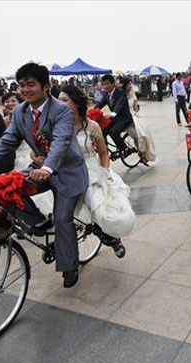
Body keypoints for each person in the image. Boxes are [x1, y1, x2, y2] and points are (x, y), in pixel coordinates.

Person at [0, 62, 89, 288]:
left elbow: (61, 141)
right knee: (6, 186)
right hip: (40, 169)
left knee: (63, 218)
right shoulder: (20, 111)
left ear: (45, 87)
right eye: (21, 85)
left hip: (67, 171)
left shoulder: (60, 110)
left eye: (31, 84)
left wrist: (47, 168)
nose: (25, 90)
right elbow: (8, 140)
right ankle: (40, 224)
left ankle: (70, 265)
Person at [56, 85, 131, 257]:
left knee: (98, 202)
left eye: (65, 100)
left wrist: (105, 173)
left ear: (76, 103)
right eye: (58, 100)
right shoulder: (57, 126)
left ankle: (111, 237)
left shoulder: (92, 127)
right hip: (67, 172)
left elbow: (104, 154)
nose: (60, 104)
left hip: (91, 170)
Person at [121, 78, 157, 165]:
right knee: (137, 135)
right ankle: (141, 153)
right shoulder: (121, 95)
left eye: (130, 84)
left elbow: (135, 108)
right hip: (125, 118)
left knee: (145, 132)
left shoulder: (132, 95)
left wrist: (137, 107)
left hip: (134, 116)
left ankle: (143, 153)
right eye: (128, 84)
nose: (130, 86)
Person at [94, 74, 133, 153]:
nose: (105, 86)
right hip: (115, 119)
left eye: (107, 84)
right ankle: (104, 150)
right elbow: (100, 104)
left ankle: (125, 149)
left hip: (124, 119)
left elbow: (119, 105)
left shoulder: (120, 92)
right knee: (102, 131)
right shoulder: (106, 94)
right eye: (103, 84)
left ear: (113, 84)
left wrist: (112, 113)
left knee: (113, 132)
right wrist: (91, 112)